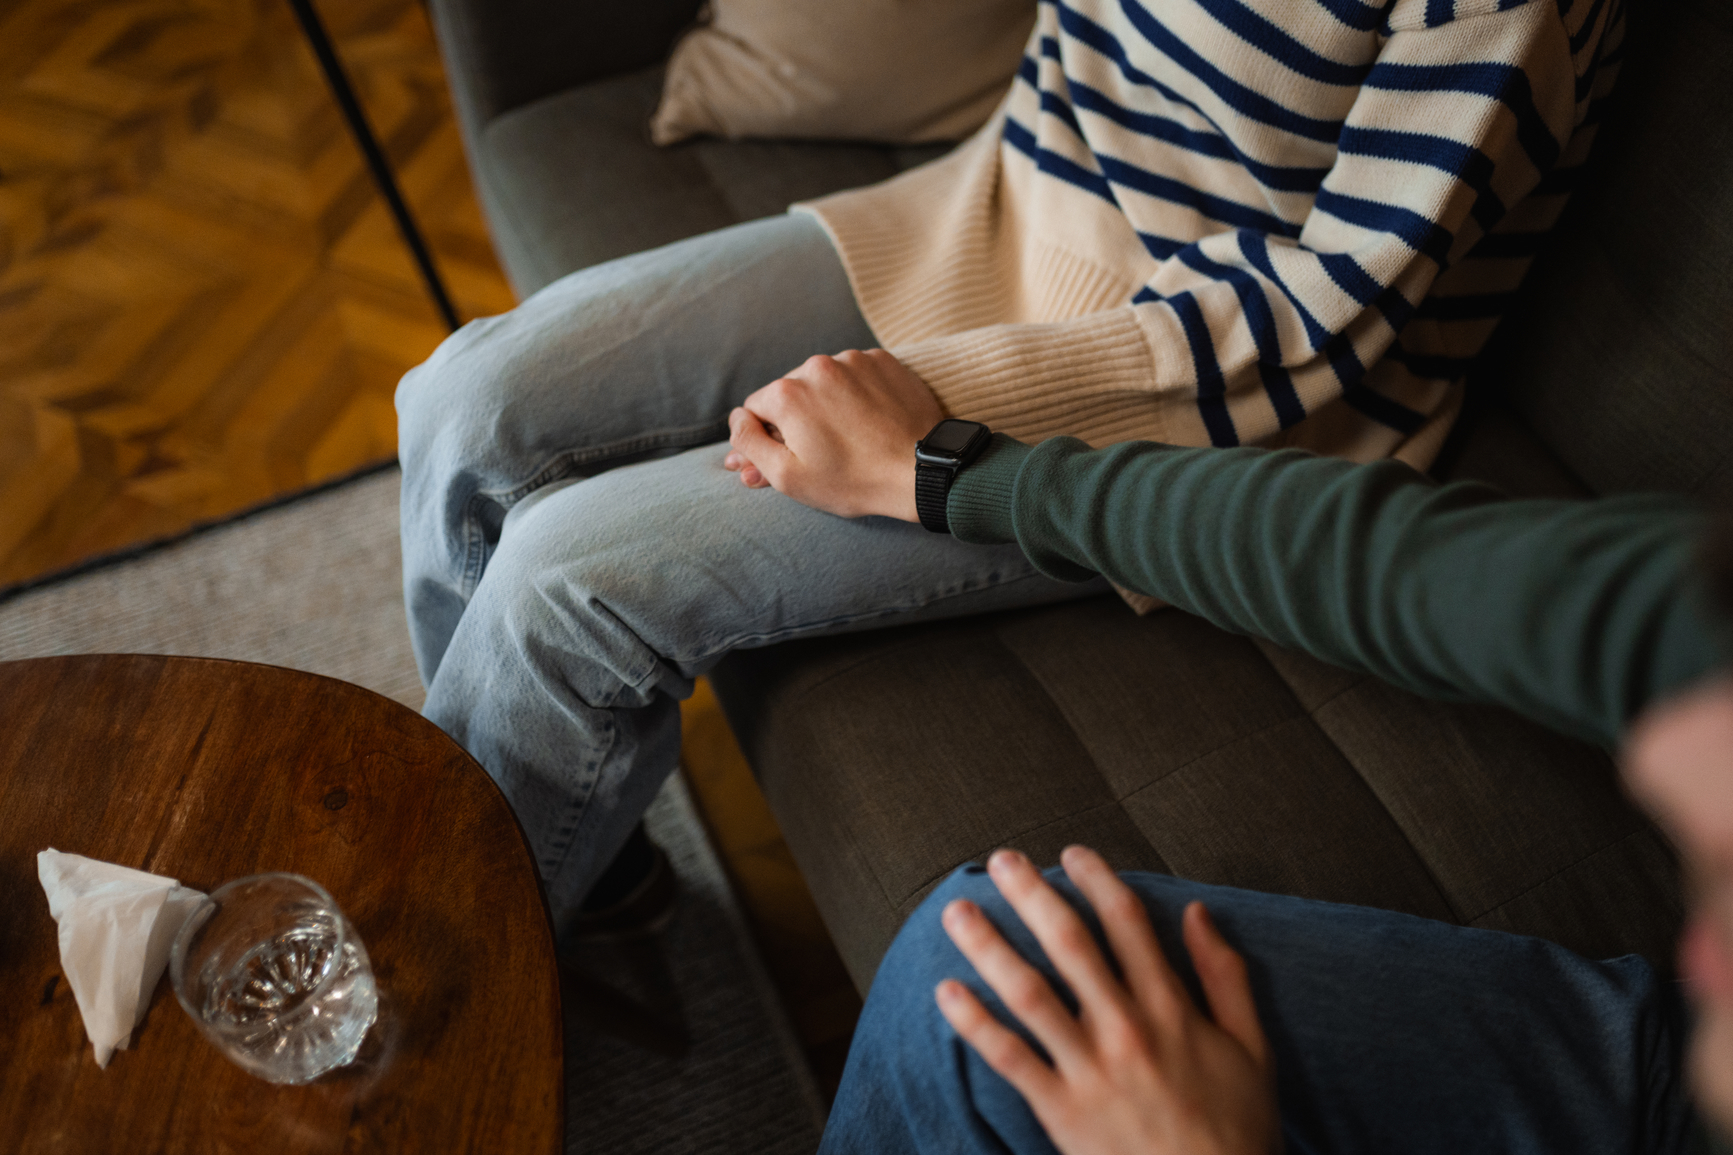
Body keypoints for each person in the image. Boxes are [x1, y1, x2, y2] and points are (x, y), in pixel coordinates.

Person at [398, 0, 1618, 934]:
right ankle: (564, 860)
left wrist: (953, 402)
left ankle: (463, 945)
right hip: (1002, 202)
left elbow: (1337, 321)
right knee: (465, 395)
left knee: (569, 575)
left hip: (1212, 398)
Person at [717, 351, 1729, 1151]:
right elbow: (1373, 561)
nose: (1653, 774)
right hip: (1649, 1066)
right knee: (995, 970)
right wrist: (958, 475)